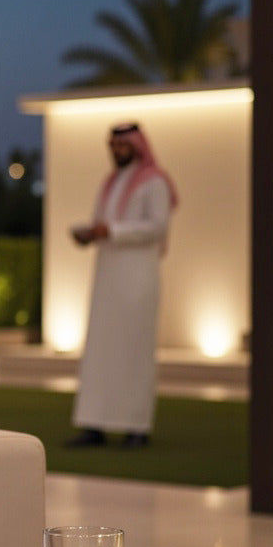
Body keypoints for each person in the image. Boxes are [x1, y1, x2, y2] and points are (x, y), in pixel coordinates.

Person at [67, 123, 177, 448]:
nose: (116, 151)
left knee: (134, 351)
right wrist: (91, 233)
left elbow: (157, 227)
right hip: (107, 281)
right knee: (101, 352)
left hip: (137, 280)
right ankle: (95, 424)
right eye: (112, 145)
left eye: (122, 145)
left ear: (136, 146)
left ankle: (136, 426)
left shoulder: (155, 181)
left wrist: (112, 231)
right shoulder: (111, 182)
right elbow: (103, 222)